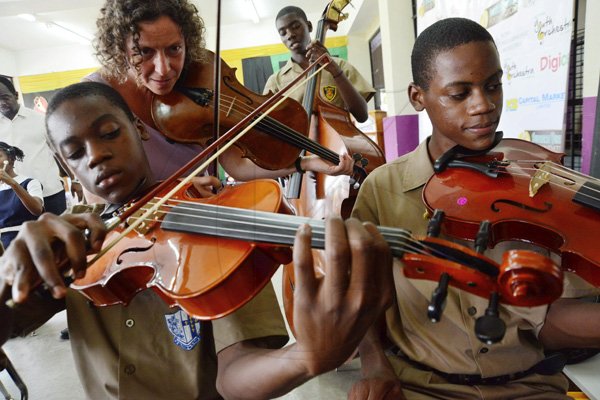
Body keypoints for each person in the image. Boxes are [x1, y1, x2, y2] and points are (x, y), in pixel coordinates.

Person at [0, 81, 394, 399]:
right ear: (63, 164)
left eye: (109, 134)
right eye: (75, 152)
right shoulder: (69, 241)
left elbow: (234, 374)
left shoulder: (215, 219)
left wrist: (303, 358)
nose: (96, 155)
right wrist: (8, 281)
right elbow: (11, 324)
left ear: (139, 129)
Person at [349, 18, 600, 400]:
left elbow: (552, 319)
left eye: (493, 85)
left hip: (530, 387)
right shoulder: (382, 190)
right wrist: (374, 365)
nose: (484, 105)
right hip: (421, 387)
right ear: (418, 97)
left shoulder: (539, 184)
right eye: (460, 93)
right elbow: (360, 294)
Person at [83, 0, 353, 195]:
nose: (164, 69)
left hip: (213, 217)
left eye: (174, 48)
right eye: (144, 52)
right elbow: (97, 191)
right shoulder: (95, 98)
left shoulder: (200, 75)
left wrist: (305, 163)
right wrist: (178, 190)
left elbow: (236, 164)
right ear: (120, 47)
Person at [263, 6, 375, 123]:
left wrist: (334, 70)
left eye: (296, 27)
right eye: (283, 32)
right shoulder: (275, 82)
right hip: (296, 141)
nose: (290, 35)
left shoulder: (340, 66)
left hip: (337, 139)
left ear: (309, 26)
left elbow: (362, 115)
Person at [0, 76, 67, 215]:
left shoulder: (41, 120)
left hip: (49, 191)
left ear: (16, 95)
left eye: (5, 97)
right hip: (16, 197)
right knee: (28, 236)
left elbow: (59, 152)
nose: (2, 103)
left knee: (60, 233)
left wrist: (75, 180)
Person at [0, 142, 44, 249]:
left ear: (11, 159)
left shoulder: (30, 183)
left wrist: (13, 184)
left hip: (27, 239)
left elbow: (37, 209)